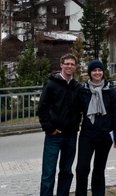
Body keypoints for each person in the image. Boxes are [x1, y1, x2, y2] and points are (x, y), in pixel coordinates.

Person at [75, 60, 116, 196]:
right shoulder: (82, 90)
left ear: (103, 72)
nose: (97, 73)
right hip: (87, 136)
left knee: (99, 170)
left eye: (99, 70)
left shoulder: (110, 91)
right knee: (82, 169)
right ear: (90, 73)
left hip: (104, 136)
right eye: (94, 70)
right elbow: (75, 111)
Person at [38, 53, 82, 196]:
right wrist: (49, 128)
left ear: (75, 67)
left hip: (71, 136)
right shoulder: (51, 84)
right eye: (67, 63)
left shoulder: (77, 86)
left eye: (72, 64)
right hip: (54, 136)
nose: (69, 66)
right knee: (48, 173)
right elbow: (42, 108)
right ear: (61, 65)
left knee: (66, 171)